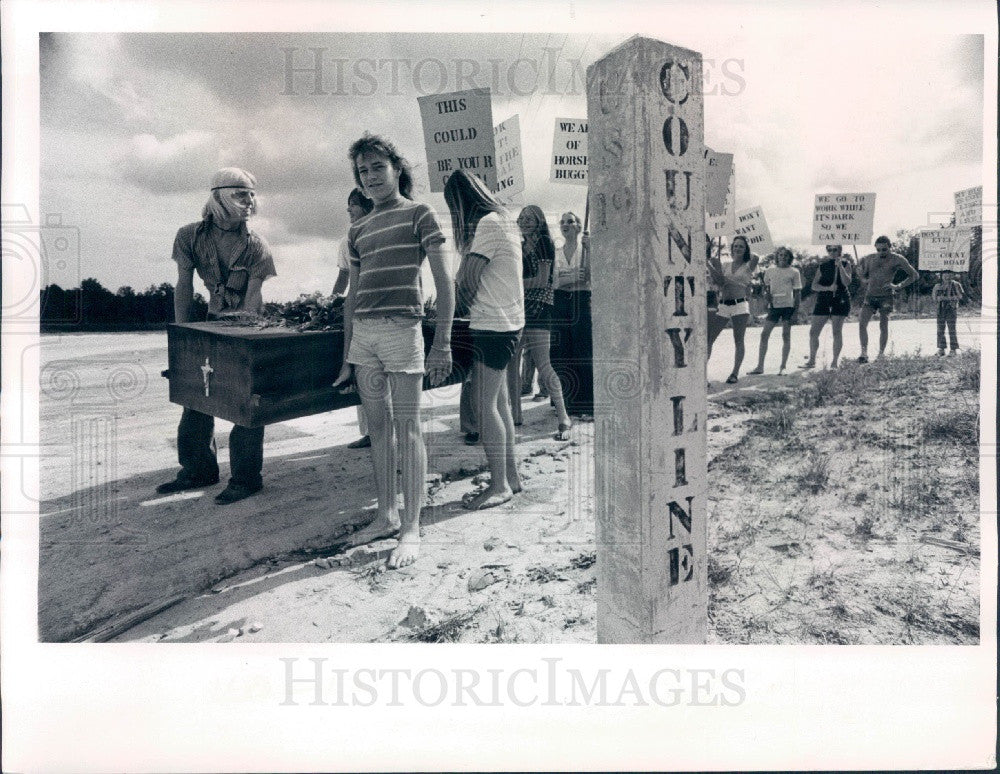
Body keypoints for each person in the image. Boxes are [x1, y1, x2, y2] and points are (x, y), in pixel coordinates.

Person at [333, 133, 455, 569]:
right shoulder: (358, 229)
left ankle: (411, 528)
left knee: (409, 429)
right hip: (364, 338)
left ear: (397, 169)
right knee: (379, 432)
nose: (371, 177)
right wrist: (349, 354)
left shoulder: (420, 213)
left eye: (377, 167)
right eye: (363, 171)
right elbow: (351, 297)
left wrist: (441, 344)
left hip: (404, 332)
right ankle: (385, 515)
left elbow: (444, 283)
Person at [156, 167, 277, 504]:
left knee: (246, 401)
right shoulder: (189, 236)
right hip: (207, 322)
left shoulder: (257, 246)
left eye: (252, 193)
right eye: (242, 193)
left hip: (246, 326)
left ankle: (246, 478)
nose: (250, 200)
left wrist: (243, 341)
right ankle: (197, 470)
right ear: (220, 195)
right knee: (196, 396)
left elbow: (253, 301)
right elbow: (184, 285)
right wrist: (183, 337)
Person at [444, 170, 524, 510]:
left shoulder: (488, 224)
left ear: (460, 202)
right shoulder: (504, 221)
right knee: (500, 403)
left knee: (484, 404)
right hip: (507, 322)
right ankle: (511, 477)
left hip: (492, 324)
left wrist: (447, 308)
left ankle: (498, 486)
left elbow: (469, 278)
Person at [506, 205, 572, 440]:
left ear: (539, 221)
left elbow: (543, 279)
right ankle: (515, 415)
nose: (524, 221)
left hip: (539, 307)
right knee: (511, 364)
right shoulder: (518, 244)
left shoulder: (544, 241)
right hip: (518, 307)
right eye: (521, 218)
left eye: (529, 218)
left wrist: (512, 285)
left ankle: (563, 417)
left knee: (544, 364)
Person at [333, 187, 376, 449]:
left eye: (354, 205)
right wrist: (332, 301)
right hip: (357, 308)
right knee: (363, 372)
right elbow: (343, 277)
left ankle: (379, 432)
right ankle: (371, 433)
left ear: (367, 206)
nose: (349, 209)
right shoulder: (346, 239)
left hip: (376, 309)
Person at [552, 211, 594, 418]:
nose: (566, 224)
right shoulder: (556, 252)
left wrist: (591, 249)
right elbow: (553, 281)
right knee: (562, 351)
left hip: (581, 300)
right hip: (560, 302)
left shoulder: (586, 250)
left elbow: (588, 278)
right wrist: (570, 277)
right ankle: (566, 403)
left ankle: (586, 403)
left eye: (571, 221)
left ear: (578, 227)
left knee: (583, 349)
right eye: (563, 222)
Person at [856, 235, 919, 362]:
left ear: (890, 247)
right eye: (878, 250)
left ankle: (881, 354)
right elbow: (862, 275)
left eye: (884, 249)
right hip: (870, 296)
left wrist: (897, 286)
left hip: (886, 296)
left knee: (883, 325)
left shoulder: (897, 259)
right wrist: (862, 277)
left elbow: (914, 275)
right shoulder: (869, 258)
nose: (881, 252)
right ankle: (864, 353)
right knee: (862, 323)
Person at [708, 234, 759, 384]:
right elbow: (720, 281)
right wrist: (712, 265)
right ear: (731, 248)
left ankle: (734, 373)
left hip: (740, 305)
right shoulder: (724, 265)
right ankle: (702, 374)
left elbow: (755, 256)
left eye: (741, 246)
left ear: (746, 249)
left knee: (738, 340)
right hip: (723, 304)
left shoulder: (749, 265)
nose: (738, 248)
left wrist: (746, 246)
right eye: (735, 246)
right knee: (710, 339)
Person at [749, 246, 801, 374]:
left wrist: (795, 312)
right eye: (780, 255)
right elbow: (765, 288)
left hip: (788, 307)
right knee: (764, 334)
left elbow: (797, 292)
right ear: (777, 257)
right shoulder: (770, 270)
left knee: (786, 335)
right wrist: (766, 296)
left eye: (785, 255)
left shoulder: (794, 271)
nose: (783, 257)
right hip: (774, 307)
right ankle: (760, 366)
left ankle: (783, 367)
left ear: (789, 257)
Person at [802, 243, 853, 369]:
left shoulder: (846, 264)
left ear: (840, 250)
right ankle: (812, 360)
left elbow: (847, 282)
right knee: (813, 332)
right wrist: (828, 288)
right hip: (824, 299)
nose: (832, 252)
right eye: (829, 249)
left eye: (834, 249)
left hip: (840, 298)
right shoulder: (823, 266)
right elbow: (814, 285)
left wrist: (840, 266)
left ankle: (835, 362)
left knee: (836, 331)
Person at [932, 270, 964, 355]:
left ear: (952, 275)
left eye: (949, 274)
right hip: (940, 309)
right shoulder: (938, 285)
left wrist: (946, 298)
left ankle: (953, 350)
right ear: (941, 276)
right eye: (945, 275)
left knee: (952, 329)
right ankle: (941, 349)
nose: (947, 277)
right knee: (940, 330)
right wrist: (936, 291)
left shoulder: (956, 284)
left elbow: (960, 296)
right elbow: (934, 298)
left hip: (951, 309)